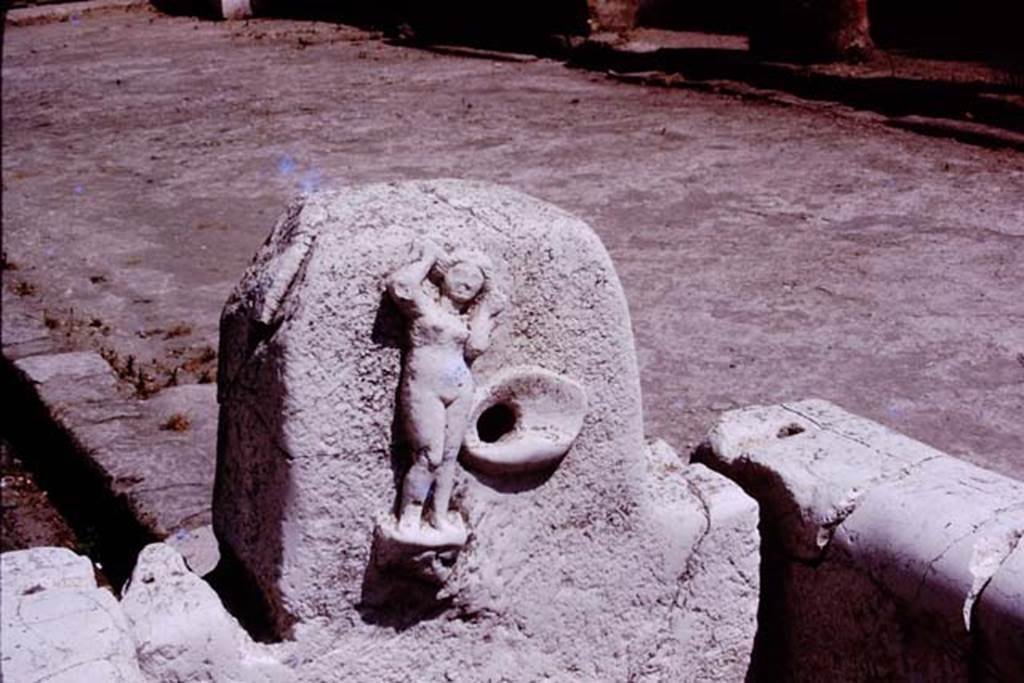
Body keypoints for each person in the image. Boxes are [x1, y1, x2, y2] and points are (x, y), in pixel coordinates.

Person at [387, 239, 504, 539]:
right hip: (425, 385)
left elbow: (476, 346)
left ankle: (438, 514)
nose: (467, 283)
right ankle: (411, 513)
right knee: (430, 455)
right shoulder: (425, 306)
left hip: (459, 386)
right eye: (461, 273)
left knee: (450, 456)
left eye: (475, 280)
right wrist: (427, 258)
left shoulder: (464, 319)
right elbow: (401, 286)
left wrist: (486, 313)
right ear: (445, 274)